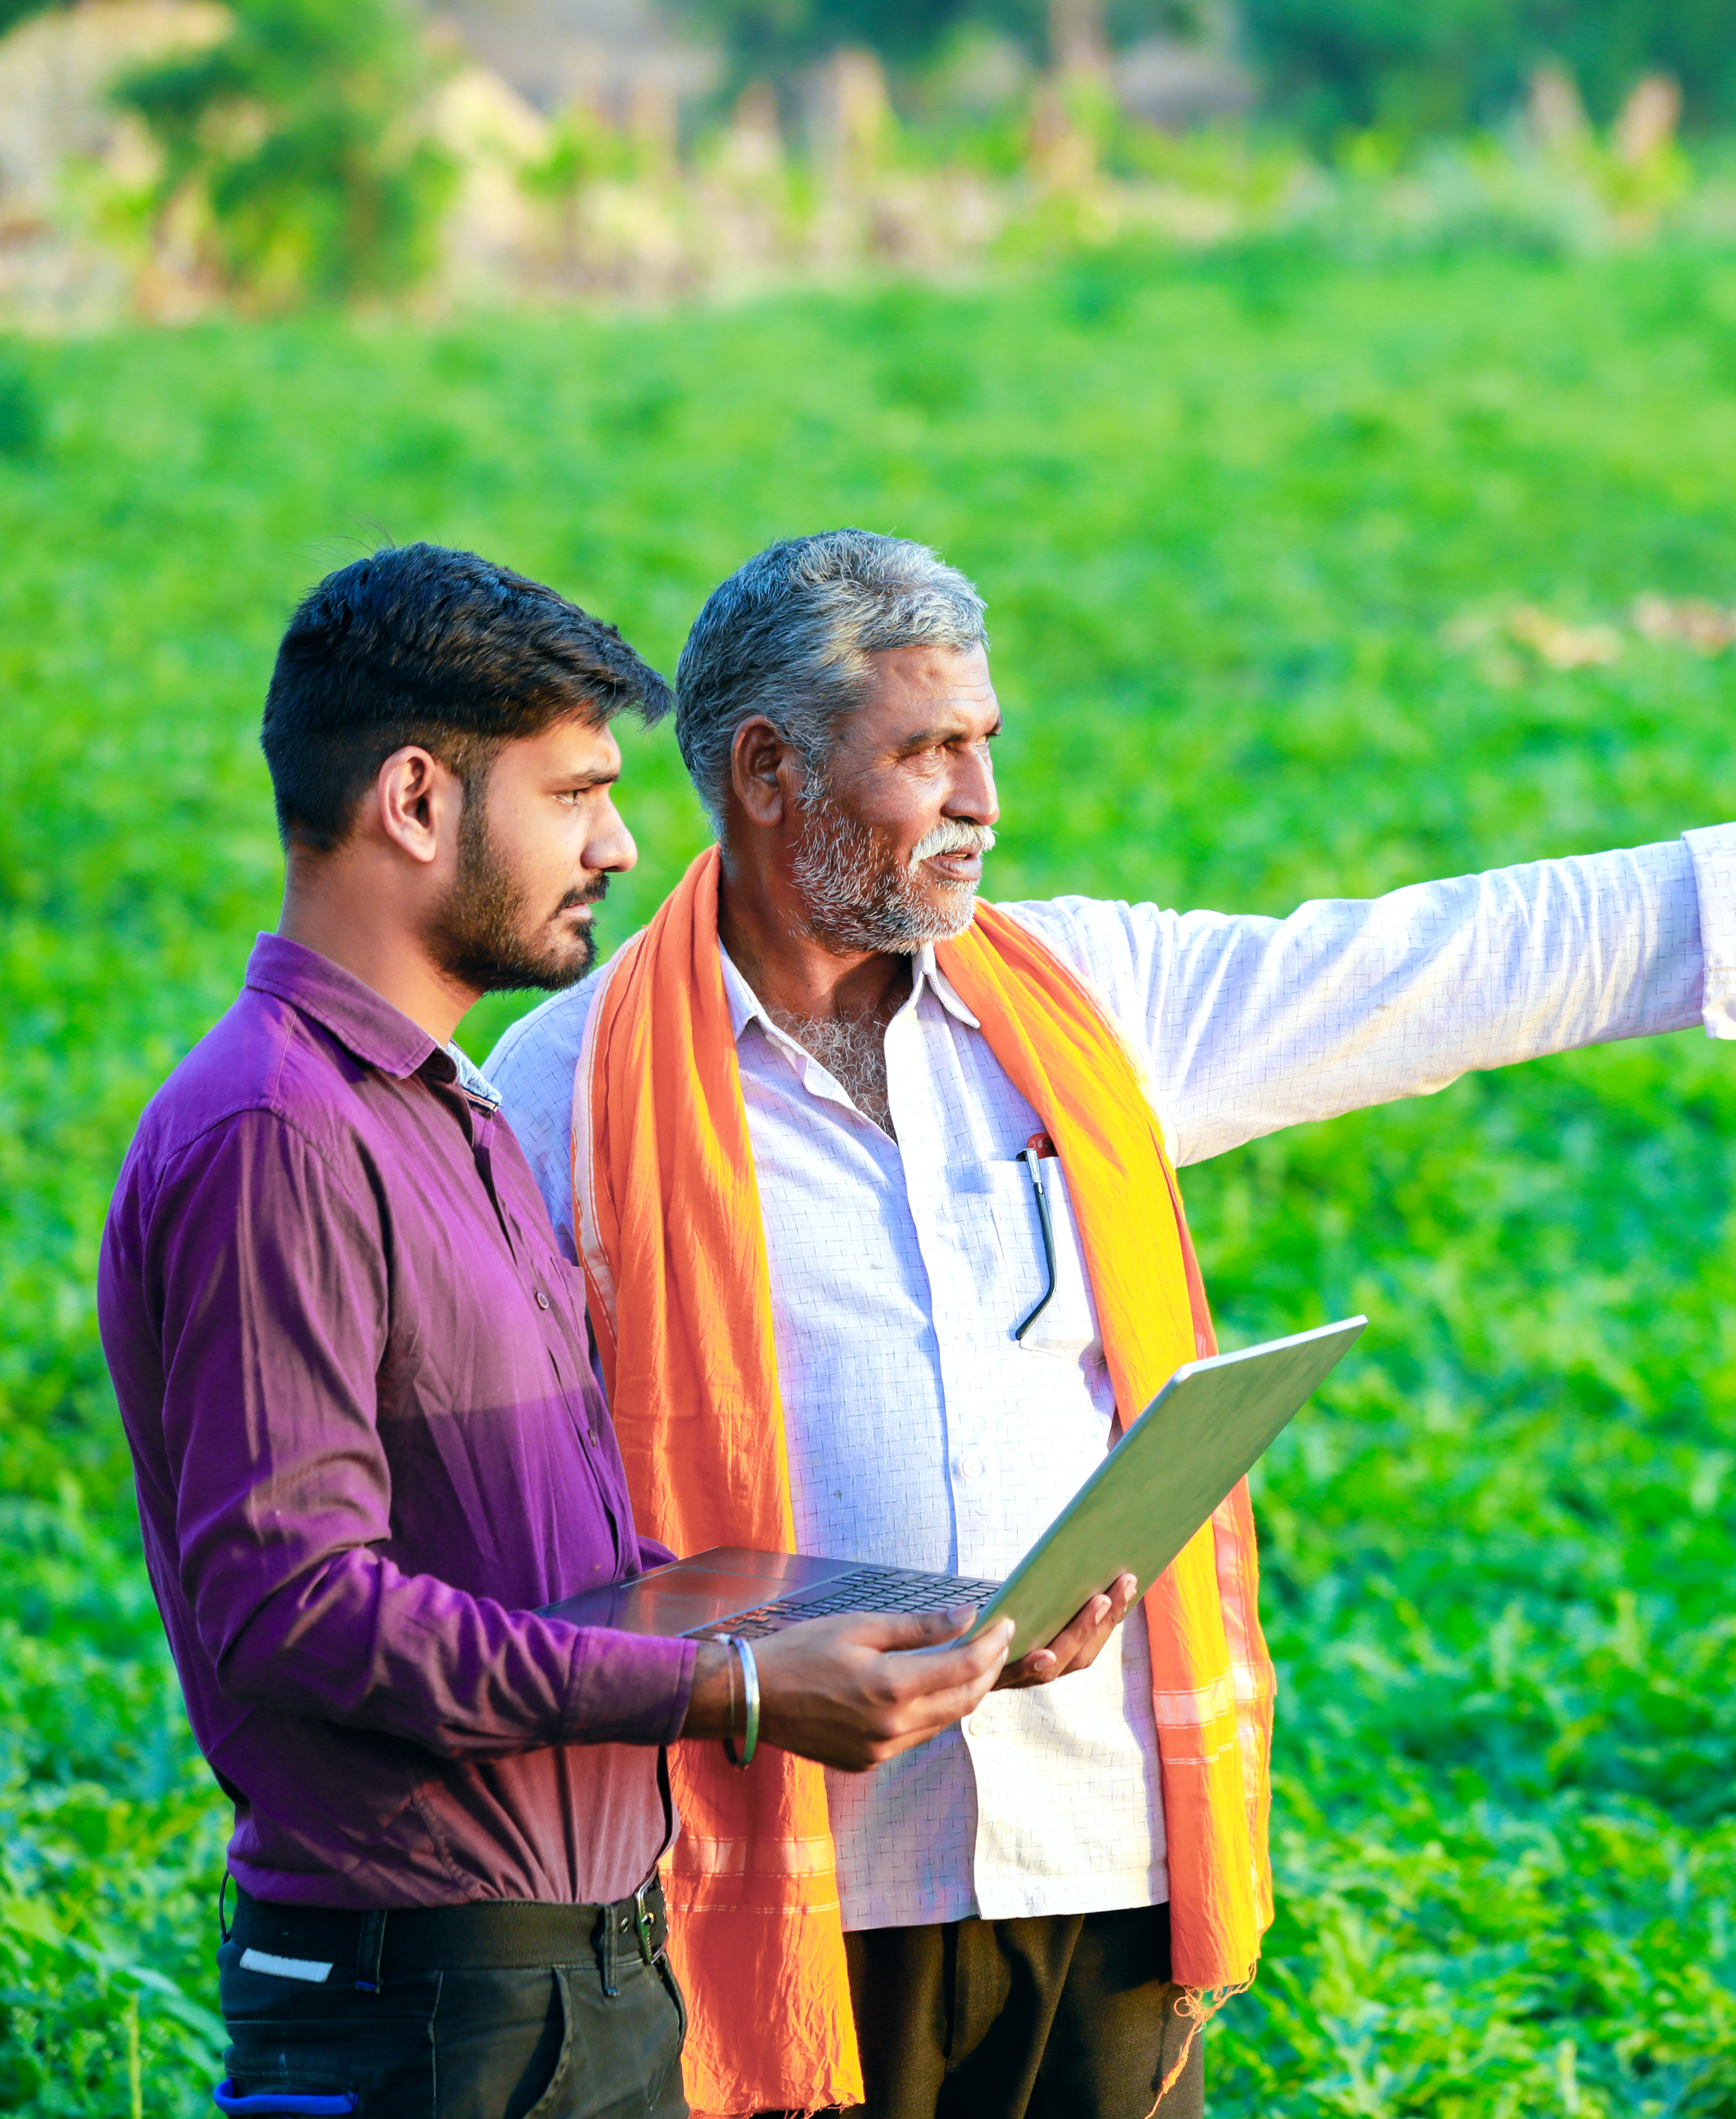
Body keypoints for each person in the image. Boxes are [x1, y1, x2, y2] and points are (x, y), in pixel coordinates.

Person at [486, 528, 1736, 2119]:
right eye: (929, 754)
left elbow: (1433, 964)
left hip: (1097, 1838)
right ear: (769, 773)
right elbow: (509, 1517)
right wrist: (757, 1660)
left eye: (987, 744)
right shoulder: (560, 1099)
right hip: (789, 1877)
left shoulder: (1085, 999)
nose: (986, 804)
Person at [97, 544, 1125, 2119]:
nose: (625, 843)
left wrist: (911, 1621)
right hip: (429, 2001)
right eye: (575, 795)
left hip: (579, 1970)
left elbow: (545, 1561)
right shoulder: (276, 1134)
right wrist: (738, 1696)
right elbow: (295, 1613)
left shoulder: (458, 1118)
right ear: (421, 803)